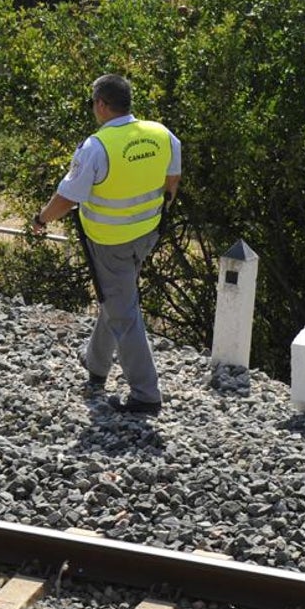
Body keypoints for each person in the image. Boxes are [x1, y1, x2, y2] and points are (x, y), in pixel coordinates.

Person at [30, 74, 181, 415]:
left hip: (109, 242)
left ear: (101, 104)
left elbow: (67, 198)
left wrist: (41, 220)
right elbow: (172, 181)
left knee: (124, 312)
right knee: (117, 297)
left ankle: (146, 394)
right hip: (146, 235)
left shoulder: (96, 147)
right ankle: (96, 364)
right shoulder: (162, 135)